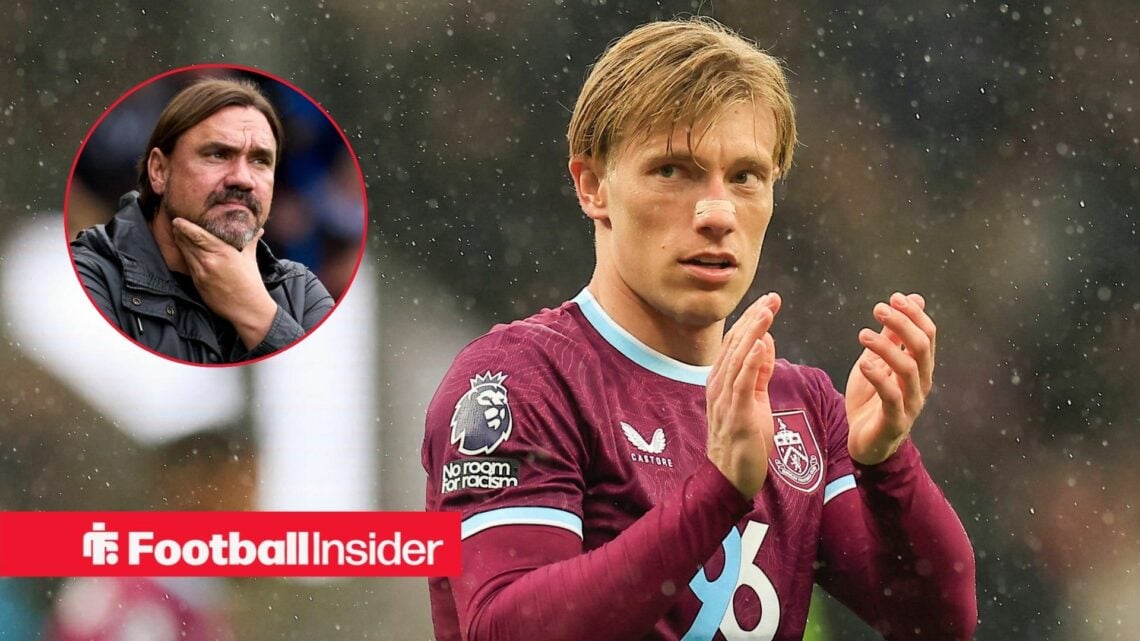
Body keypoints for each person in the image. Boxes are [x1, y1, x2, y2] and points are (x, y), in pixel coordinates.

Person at [422, 17, 976, 641]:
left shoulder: (802, 407)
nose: (716, 213)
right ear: (592, 186)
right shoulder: (519, 382)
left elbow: (936, 624)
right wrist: (718, 494)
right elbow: (505, 629)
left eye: (745, 176)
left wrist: (887, 463)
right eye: (673, 171)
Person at [70, 78, 334, 364]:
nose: (243, 179)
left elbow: (318, 397)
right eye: (218, 155)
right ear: (159, 170)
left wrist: (254, 311)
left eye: (260, 161)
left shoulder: (302, 290)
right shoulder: (87, 277)